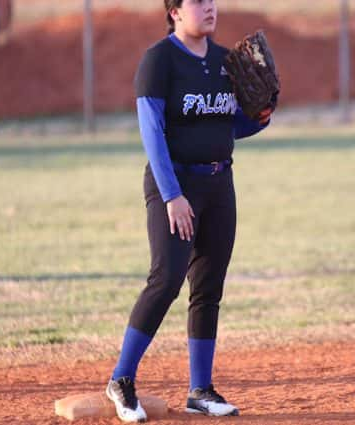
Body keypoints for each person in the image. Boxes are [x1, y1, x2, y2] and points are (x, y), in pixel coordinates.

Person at [104, 0, 274, 422]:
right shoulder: (158, 60)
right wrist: (171, 195)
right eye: (198, 1)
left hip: (220, 184)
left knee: (208, 287)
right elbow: (152, 132)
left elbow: (229, 123)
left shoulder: (224, 62)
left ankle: (200, 390)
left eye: (212, 0)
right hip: (176, 184)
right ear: (175, 11)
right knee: (165, 280)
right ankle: (121, 380)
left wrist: (263, 114)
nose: (209, 7)